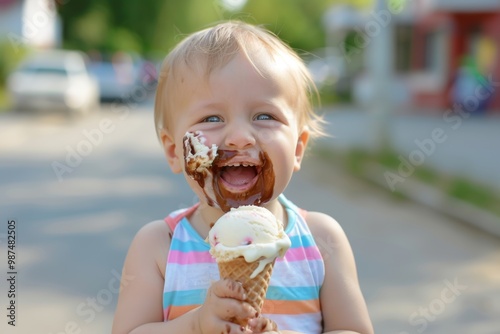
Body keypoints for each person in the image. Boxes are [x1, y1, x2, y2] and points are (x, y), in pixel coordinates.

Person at [112, 21, 373, 334]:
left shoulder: (321, 240)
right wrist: (194, 325)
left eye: (264, 116)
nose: (239, 137)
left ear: (298, 148)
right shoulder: (158, 247)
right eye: (211, 118)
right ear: (173, 152)